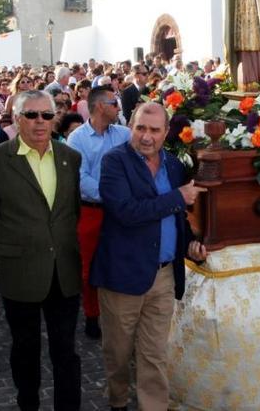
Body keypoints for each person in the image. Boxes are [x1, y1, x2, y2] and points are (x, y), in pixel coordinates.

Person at [91, 102, 207, 410]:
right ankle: (117, 401)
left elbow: (179, 219)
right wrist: (177, 197)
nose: (147, 136)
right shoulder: (114, 162)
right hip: (122, 276)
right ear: (131, 127)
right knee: (118, 352)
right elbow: (126, 212)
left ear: (166, 132)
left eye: (155, 130)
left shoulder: (174, 165)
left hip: (164, 275)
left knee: (154, 353)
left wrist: (191, 246)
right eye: (141, 128)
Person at [0, 90, 83, 410]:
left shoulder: (70, 159)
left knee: (66, 351)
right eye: (31, 115)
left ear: (54, 119)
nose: (39, 122)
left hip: (63, 271)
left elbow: (71, 212)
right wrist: (11, 250)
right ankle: (28, 404)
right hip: (19, 271)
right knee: (25, 348)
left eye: (46, 115)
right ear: (17, 118)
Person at [66, 86, 131, 339]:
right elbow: (79, 178)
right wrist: (111, 196)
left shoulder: (124, 134)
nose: (118, 108)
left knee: (120, 261)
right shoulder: (78, 139)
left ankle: (119, 315)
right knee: (89, 267)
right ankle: (92, 314)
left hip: (121, 211)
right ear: (101, 106)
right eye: (115, 103)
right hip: (92, 211)